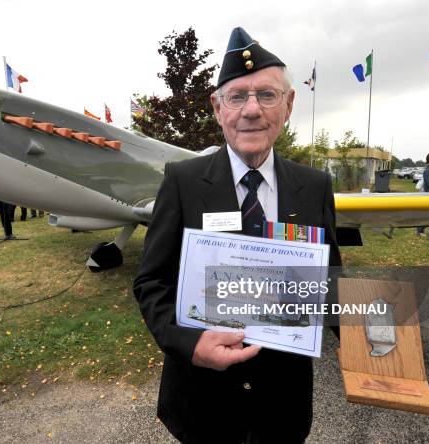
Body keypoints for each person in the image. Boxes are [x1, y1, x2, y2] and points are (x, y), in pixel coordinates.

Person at [133, 27, 341, 443]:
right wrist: (189, 344)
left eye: (266, 95)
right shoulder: (182, 181)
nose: (251, 110)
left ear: (289, 105)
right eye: (237, 96)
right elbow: (151, 282)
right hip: (201, 402)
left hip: (283, 404)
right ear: (217, 107)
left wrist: (379, 334)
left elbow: (330, 279)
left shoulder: (314, 185)